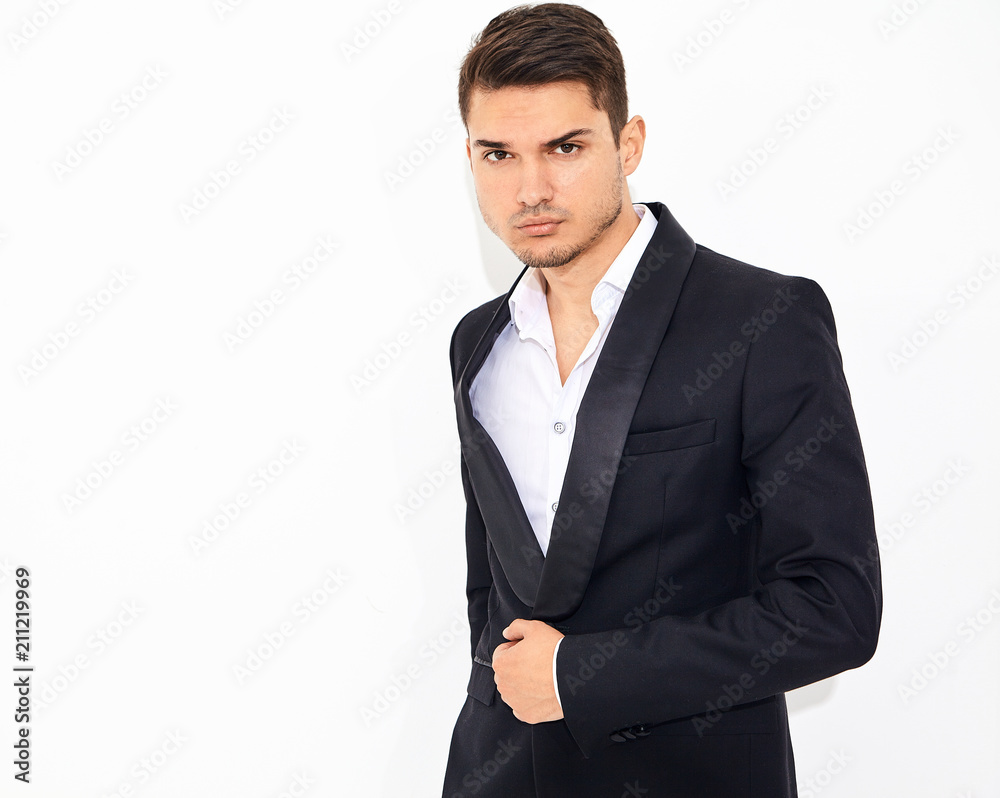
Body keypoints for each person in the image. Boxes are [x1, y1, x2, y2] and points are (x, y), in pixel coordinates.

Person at [443, 4, 882, 796]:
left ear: (628, 142)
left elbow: (833, 608)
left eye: (565, 147)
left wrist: (578, 675)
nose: (530, 187)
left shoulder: (762, 321)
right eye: (498, 153)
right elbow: (495, 587)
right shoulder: (478, 343)